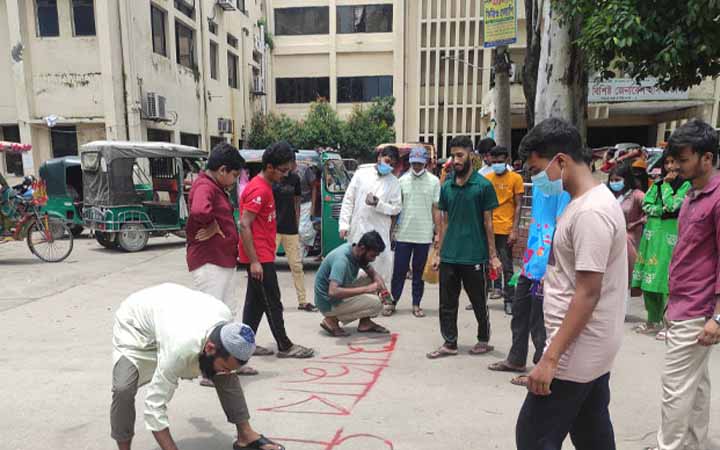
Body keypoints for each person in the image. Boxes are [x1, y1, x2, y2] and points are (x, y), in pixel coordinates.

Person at [514, 118, 627, 450]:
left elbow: (588, 293)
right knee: (591, 430)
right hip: (590, 346)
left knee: (534, 436)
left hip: (576, 350)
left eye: (537, 169)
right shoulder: (592, 202)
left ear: (560, 160)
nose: (537, 179)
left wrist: (550, 358)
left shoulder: (590, 213)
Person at [110, 283, 285, 450]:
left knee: (223, 374)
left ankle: (246, 436)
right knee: (122, 389)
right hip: (136, 329)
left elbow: (223, 362)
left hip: (168, 314)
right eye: (225, 366)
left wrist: (224, 368)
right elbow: (153, 407)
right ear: (209, 348)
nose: (228, 371)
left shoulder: (224, 319)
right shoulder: (180, 349)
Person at [651, 119, 720, 450]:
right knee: (696, 385)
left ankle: (671, 447)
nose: (676, 165)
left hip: (698, 308)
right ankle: (692, 445)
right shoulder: (693, 195)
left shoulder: (718, 198)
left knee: (675, 386)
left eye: (684, 158)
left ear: (706, 158)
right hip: (681, 303)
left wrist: (717, 317)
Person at [426, 135, 501, 359]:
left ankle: (483, 339)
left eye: (460, 155)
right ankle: (450, 342)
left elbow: (489, 223)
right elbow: (444, 221)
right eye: (453, 155)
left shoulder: (483, 186)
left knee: (478, 301)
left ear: (471, 156)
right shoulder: (447, 186)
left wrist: (493, 255)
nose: (456, 160)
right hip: (450, 255)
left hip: (474, 255)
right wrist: (438, 251)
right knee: (446, 303)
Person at [186, 143, 256, 381]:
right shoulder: (205, 186)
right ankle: (208, 370)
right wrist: (212, 224)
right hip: (210, 261)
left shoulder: (214, 186)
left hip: (222, 260)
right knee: (211, 316)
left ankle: (230, 361)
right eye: (235, 175)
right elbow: (199, 211)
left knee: (226, 313)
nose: (235, 180)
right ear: (223, 170)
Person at [488, 183, 570, 385]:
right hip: (531, 263)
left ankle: (541, 369)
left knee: (540, 321)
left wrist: (551, 267)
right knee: (520, 313)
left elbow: (560, 228)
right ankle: (516, 359)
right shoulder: (541, 187)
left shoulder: (563, 190)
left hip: (547, 267)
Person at [238, 141, 314, 359]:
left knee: (255, 305)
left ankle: (244, 345)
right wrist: (254, 261)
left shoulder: (265, 186)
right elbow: (244, 224)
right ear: (269, 167)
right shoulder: (258, 190)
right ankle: (284, 345)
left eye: (288, 170)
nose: (285, 175)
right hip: (260, 258)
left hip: (263, 255)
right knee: (273, 302)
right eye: (282, 170)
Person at [631, 152, 691, 338]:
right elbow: (647, 205)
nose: (671, 167)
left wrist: (665, 188)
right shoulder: (656, 184)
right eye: (668, 163)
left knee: (666, 282)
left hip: (670, 238)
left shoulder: (686, 185)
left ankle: (670, 325)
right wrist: (660, 209)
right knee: (649, 281)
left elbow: (674, 205)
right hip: (651, 237)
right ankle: (652, 321)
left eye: (674, 162)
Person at [387, 147, 441, 318]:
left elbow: (436, 209)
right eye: (414, 163)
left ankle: (416, 303)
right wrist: (391, 231)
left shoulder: (434, 181)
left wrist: (438, 233)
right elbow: (396, 209)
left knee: (419, 272)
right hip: (403, 234)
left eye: (419, 163)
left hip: (424, 235)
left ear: (425, 163)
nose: (417, 166)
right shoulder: (401, 181)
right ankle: (392, 301)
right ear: (409, 162)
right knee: (399, 271)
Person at [339, 146, 402, 284]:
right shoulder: (361, 174)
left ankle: (379, 298)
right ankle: (354, 299)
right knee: (355, 266)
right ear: (379, 157)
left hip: (379, 230)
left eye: (392, 165)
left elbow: (396, 209)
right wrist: (344, 224)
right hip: (359, 229)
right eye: (387, 161)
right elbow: (349, 199)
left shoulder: (394, 182)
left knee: (380, 266)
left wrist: (379, 204)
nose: (388, 166)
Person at [315, 231, 391, 336]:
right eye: (372, 255)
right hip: (328, 302)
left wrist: (384, 291)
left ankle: (365, 323)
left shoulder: (356, 252)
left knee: (369, 279)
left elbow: (374, 274)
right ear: (363, 248)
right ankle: (331, 320)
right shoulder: (342, 260)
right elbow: (333, 291)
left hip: (335, 294)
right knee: (376, 303)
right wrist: (367, 289)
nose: (373, 259)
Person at [483, 145, 526, 315]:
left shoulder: (516, 179)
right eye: (494, 162)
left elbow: (518, 205)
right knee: (485, 266)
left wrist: (515, 229)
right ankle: (481, 299)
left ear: (507, 160)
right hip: (488, 228)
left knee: (507, 267)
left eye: (500, 162)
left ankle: (509, 300)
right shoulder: (487, 179)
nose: (496, 165)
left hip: (506, 229)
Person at [273, 155, 316, 312]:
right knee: (268, 266)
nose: (293, 164)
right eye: (290, 162)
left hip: (290, 228)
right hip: (274, 229)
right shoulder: (274, 178)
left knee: (297, 266)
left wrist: (297, 221)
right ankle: (271, 300)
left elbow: (297, 201)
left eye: (293, 162)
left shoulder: (295, 179)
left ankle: (303, 301)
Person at [608, 161, 646, 314]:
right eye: (612, 180)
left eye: (617, 180)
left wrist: (636, 223)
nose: (614, 183)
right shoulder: (608, 195)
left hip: (628, 239)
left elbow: (650, 215)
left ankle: (620, 309)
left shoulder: (637, 195)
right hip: (610, 237)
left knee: (623, 276)